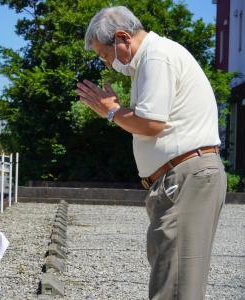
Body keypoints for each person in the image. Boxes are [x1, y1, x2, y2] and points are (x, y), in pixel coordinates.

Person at [77, 6, 226, 300]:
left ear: (122, 38)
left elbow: (151, 123)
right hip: (183, 177)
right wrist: (116, 112)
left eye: (105, 56)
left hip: (186, 176)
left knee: (175, 287)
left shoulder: (155, 57)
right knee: (173, 281)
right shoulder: (154, 58)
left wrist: (112, 112)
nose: (108, 65)